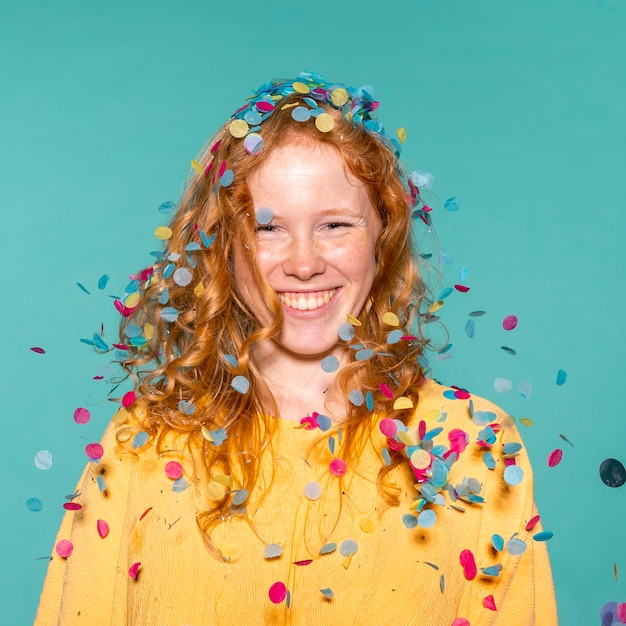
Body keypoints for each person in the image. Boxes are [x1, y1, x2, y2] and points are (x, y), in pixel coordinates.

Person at [36, 72, 557, 625]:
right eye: (268, 229)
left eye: (334, 224)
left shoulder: (477, 448)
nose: (304, 263)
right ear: (222, 245)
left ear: (383, 235)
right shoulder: (138, 446)